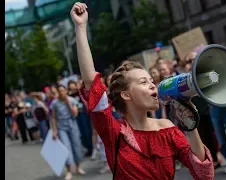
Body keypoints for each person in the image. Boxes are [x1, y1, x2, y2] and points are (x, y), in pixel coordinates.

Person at [72, 2, 214, 180]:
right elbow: (91, 83)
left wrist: (190, 125)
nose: (153, 85)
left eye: (151, 81)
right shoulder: (114, 132)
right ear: (126, 94)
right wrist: (80, 26)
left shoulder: (167, 129)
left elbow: (204, 174)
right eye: (143, 82)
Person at [51, 85, 85, 180]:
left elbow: (75, 114)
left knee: (76, 145)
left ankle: (77, 168)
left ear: (66, 91)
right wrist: (54, 130)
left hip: (72, 125)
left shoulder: (72, 100)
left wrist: (68, 104)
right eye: (59, 91)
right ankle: (69, 171)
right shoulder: (55, 103)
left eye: (63, 90)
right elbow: (53, 117)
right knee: (66, 148)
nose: (61, 92)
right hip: (62, 127)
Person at [68, 80, 93, 157]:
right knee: (81, 132)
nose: (72, 87)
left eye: (73, 85)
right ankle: (87, 148)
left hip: (84, 114)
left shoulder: (80, 92)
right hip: (76, 115)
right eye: (70, 85)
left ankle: (91, 148)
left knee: (87, 131)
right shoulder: (69, 96)